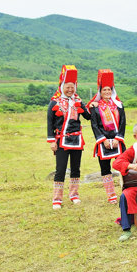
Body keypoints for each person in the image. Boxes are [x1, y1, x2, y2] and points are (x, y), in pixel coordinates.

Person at [47, 65, 91, 210]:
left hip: (77, 139)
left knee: (76, 169)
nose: (70, 90)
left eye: (72, 87)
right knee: (60, 169)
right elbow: (50, 122)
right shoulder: (55, 102)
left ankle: (74, 195)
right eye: (67, 87)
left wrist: (92, 105)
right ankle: (57, 198)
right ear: (62, 87)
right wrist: (52, 140)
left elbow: (88, 116)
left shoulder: (77, 101)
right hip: (61, 140)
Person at [87, 69, 126, 204]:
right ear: (100, 92)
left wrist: (117, 138)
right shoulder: (95, 107)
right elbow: (94, 125)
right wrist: (102, 140)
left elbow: (122, 122)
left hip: (117, 140)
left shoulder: (119, 105)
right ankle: (111, 196)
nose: (107, 93)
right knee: (105, 169)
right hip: (103, 141)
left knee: (123, 166)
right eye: (104, 90)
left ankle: (125, 192)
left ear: (112, 91)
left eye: (109, 90)